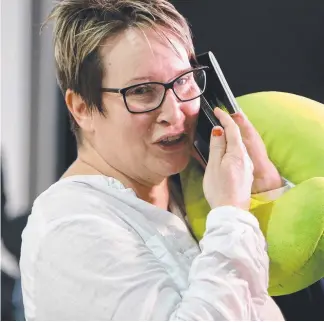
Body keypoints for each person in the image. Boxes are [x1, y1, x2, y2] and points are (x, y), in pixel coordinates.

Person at [20, 0, 289, 320]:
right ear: (82, 108)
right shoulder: (70, 227)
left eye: (184, 80)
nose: (175, 113)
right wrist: (231, 214)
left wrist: (263, 188)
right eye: (143, 91)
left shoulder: (191, 190)